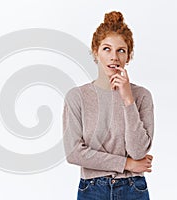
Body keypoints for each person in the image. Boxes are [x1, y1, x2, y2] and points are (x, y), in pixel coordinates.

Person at [62, 11, 154, 200]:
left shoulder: (142, 96)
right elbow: (73, 153)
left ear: (128, 56)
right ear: (95, 52)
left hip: (133, 189)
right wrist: (127, 164)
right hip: (92, 189)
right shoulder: (77, 97)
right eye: (107, 49)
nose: (114, 57)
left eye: (121, 50)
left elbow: (138, 151)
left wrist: (128, 99)